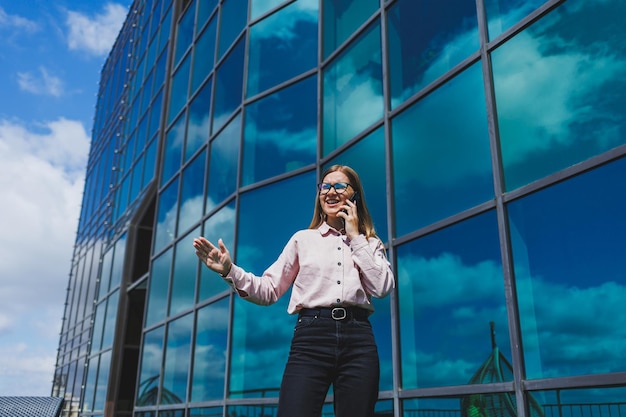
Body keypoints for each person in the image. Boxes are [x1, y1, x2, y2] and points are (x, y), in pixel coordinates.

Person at [193, 164, 395, 417]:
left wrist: (356, 238)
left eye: (339, 186)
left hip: (359, 340)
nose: (330, 191)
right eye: (325, 186)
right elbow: (268, 290)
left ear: (354, 195)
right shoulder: (302, 239)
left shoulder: (370, 243)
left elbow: (382, 287)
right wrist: (228, 270)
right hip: (311, 338)